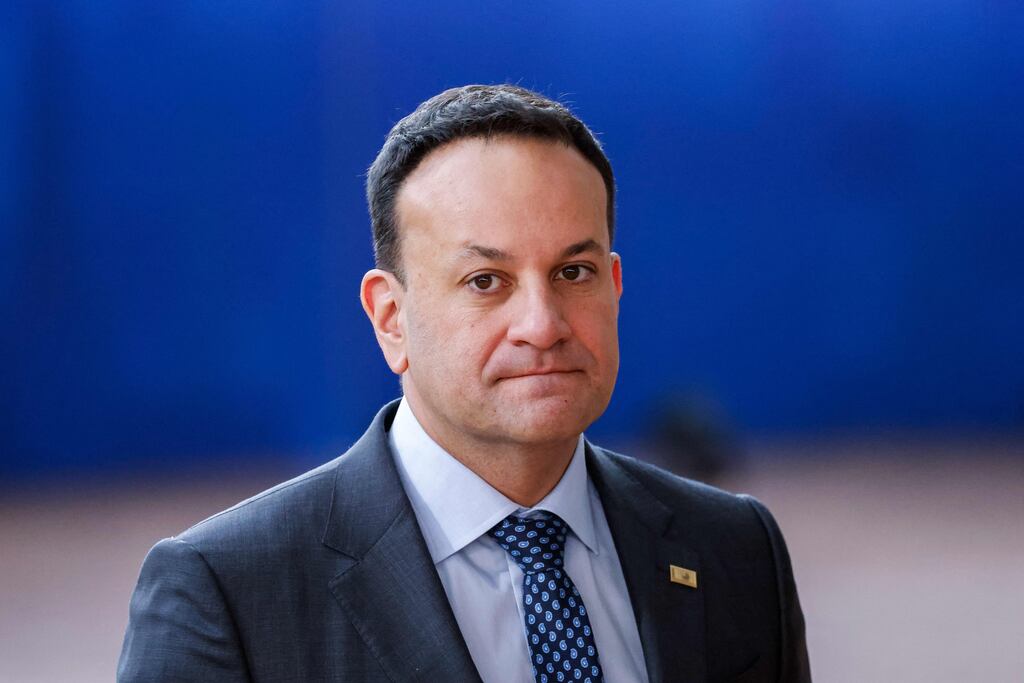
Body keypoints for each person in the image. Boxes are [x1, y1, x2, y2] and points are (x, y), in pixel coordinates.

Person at [118, 84, 810, 683]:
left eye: (574, 272)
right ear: (391, 318)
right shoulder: (230, 593)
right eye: (486, 281)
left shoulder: (735, 548)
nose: (542, 324)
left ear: (615, 286)